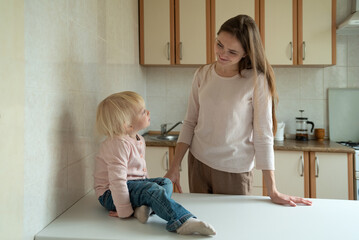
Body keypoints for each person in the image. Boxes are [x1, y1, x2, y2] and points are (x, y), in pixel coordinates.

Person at [165, 15, 312, 207]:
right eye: (219, 45)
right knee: (200, 227)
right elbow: (190, 121)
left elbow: (263, 134)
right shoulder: (203, 74)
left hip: (234, 170)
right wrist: (174, 166)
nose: (222, 54)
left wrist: (272, 190)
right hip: (198, 163)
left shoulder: (256, 80)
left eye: (232, 52)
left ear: (246, 53)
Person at [94, 91, 216, 235]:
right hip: (111, 194)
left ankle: (143, 208)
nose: (148, 112)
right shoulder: (118, 144)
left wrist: (147, 188)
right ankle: (182, 221)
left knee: (166, 183)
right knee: (152, 190)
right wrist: (124, 210)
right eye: (143, 112)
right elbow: (117, 180)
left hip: (131, 187)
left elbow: (142, 174)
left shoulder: (138, 138)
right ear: (127, 125)